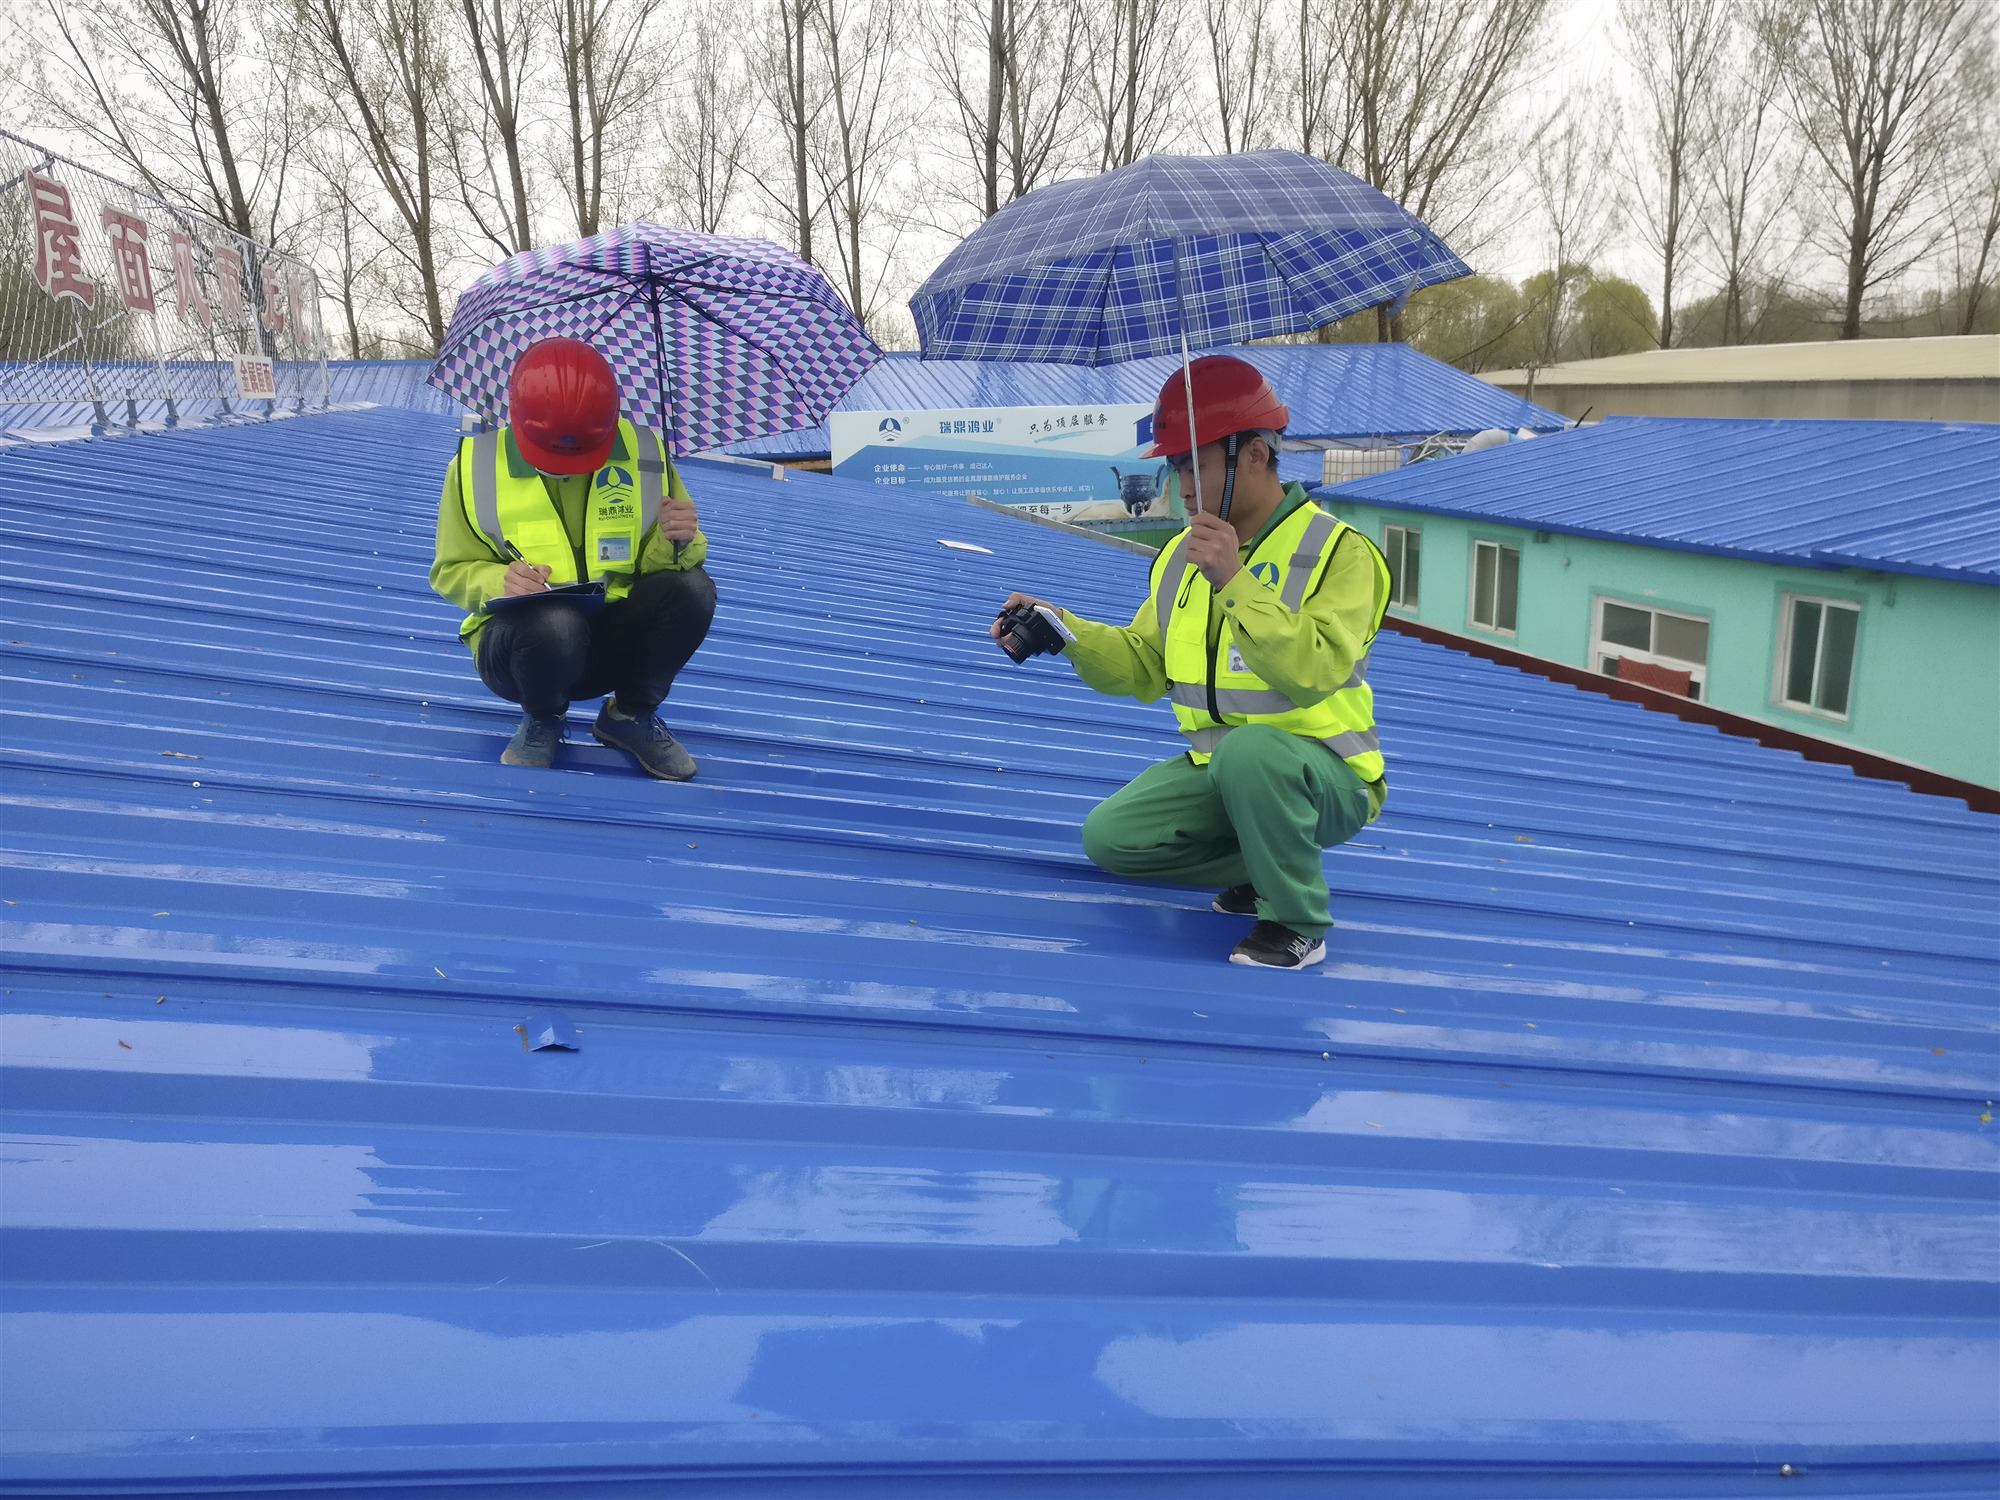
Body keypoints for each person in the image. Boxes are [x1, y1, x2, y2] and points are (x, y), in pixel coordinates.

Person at [991, 355, 1390, 969]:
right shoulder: (1182, 555)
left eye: (1194, 464)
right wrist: (1067, 634)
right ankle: (1268, 862)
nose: (1181, 486)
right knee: (1112, 839)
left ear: (1255, 453)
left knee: (1251, 751)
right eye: (1175, 467)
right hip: (1223, 775)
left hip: (1329, 781)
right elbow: (1146, 665)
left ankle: (1297, 921)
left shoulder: (1340, 552)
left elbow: (1314, 672)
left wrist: (1234, 579)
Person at [430, 337, 716, 779]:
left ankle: (629, 716)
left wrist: (679, 540)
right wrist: (498, 581)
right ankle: (544, 719)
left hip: (610, 645)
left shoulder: (646, 454)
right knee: (555, 623)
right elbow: (450, 570)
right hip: (525, 651)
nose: (568, 467)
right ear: (517, 418)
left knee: (694, 590)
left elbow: (663, 570)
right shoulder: (474, 467)